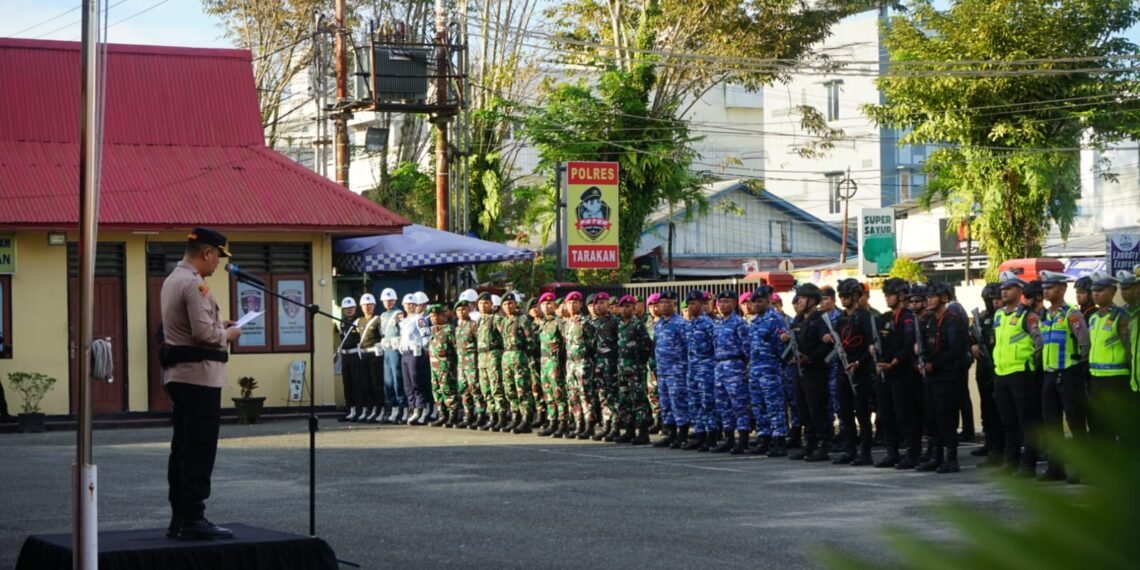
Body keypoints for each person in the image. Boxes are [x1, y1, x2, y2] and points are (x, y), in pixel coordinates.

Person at [160, 227, 241, 540]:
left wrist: (219, 324)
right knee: (199, 448)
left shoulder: (173, 280)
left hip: (180, 375)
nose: (218, 263)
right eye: (218, 256)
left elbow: (187, 328)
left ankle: (180, 516)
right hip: (199, 377)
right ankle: (193, 516)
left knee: (182, 447)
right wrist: (228, 334)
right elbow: (204, 336)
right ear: (207, 253)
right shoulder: (195, 286)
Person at [1036, 270, 1091, 482]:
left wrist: (1078, 366)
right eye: (1044, 288)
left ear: (1062, 289)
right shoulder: (1046, 315)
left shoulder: (1072, 315)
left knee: (1076, 423)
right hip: (1049, 375)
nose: (1046, 291)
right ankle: (1055, 467)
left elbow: (1084, 343)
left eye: (1050, 287)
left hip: (1069, 374)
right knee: (1051, 423)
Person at [991, 271, 1044, 477]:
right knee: (1008, 420)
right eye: (1002, 288)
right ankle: (1011, 461)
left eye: (1009, 288)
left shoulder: (1027, 315)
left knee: (1027, 421)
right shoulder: (999, 315)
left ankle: (1028, 464)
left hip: (1021, 373)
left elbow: (1039, 343)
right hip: (1002, 373)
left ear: (1020, 291)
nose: (1004, 292)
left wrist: (1032, 364)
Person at [917, 282, 968, 474]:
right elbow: (924, 345)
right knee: (931, 417)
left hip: (947, 376)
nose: (929, 299)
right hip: (931, 376)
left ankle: (951, 458)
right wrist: (922, 360)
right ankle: (936, 456)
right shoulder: (929, 320)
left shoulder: (952, 320)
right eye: (928, 296)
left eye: (934, 296)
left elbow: (955, 350)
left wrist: (934, 364)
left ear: (944, 298)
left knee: (945, 417)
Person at [875, 278, 920, 470]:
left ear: (901, 295)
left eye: (890, 294)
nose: (887, 298)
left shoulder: (908, 317)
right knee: (886, 414)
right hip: (885, 372)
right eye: (885, 294)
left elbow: (909, 343)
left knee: (906, 415)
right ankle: (891, 452)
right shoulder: (885, 318)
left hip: (903, 373)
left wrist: (894, 362)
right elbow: (878, 339)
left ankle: (912, 453)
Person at [830, 278, 876, 466]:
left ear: (856, 296)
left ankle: (865, 452)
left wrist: (859, 362)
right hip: (843, 369)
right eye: (840, 296)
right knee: (845, 412)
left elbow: (870, 346)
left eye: (846, 296)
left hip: (860, 371)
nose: (843, 299)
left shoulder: (865, 317)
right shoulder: (840, 319)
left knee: (862, 414)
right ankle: (850, 449)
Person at [789, 283, 833, 462]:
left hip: (815, 370)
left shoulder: (821, 319)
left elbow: (826, 345)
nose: (799, 301)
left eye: (803, 298)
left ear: (813, 300)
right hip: (799, 369)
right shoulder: (798, 320)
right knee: (803, 408)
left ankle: (824, 444)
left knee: (817, 408)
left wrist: (811, 358)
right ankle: (810, 442)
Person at [1087, 271, 1132, 443]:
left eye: (1100, 290)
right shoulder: (1094, 318)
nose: (1095, 293)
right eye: (1094, 290)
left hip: (1116, 378)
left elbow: (1129, 348)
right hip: (1097, 378)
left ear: (1113, 292)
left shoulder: (1121, 317)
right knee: (1101, 424)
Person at [748, 287, 789, 457]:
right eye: (755, 301)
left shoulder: (776, 319)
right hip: (755, 369)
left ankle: (779, 439)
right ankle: (764, 437)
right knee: (758, 406)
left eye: (760, 301)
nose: (757, 304)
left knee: (774, 406)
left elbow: (782, 345)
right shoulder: (755, 321)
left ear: (768, 301)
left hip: (770, 369)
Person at [711, 290, 752, 454]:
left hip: (735, 365)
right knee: (723, 405)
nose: (723, 305)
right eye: (720, 302)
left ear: (735, 304)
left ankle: (743, 439)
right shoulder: (718, 324)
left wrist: (746, 366)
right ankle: (729, 438)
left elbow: (747, 347)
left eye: (727, 302)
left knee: (739, 404)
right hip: (720, 366)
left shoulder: (739, 323)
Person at [969, 283, 1005, 464]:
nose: (995, 303)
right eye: (992, 299)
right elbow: (971, 336)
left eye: (998, 299)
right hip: (984, 368)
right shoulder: (981, 317)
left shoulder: (1006, 317)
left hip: (999, 368)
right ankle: (990, 443)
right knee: (986, 409)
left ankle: (1001, 448)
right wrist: (973, 345)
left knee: (1000, 411)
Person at [652, 291, 690, 448]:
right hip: (662, 370)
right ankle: (670, 433)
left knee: (678, 403)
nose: (665, 305)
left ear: (675, 304)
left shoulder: (681, 324)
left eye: (668, 302)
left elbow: (688, 347)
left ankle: (682, 435)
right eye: (662, 302)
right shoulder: (658, 324)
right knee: (666, 404)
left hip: (677, 370)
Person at [681, 291, 716, 451]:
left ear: (702, 305)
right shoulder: (688, 324)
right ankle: (699, 434)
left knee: (707, 403)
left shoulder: (708, 324)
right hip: (692, 368)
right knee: (694, 403)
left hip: (706, 367)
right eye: (689, 304)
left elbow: (716, 346)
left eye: (694, 304)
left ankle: (712, 435)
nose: (691, 307)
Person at [615, 295, 651, 444]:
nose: (625, 309)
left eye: (629, 306)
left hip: (635, 369)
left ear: (634, 308)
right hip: (622, 369)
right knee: (625, 400)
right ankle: (629, 430)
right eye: (623, 306)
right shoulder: (619, 325)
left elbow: (647, 345)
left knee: (638, 400)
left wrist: (639, 363)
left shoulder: (638, 325)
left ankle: (643, 432)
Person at [499, 292, 535, 433]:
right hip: (507, 356)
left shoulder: (522, 320)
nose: (508, 306)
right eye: (505, 304)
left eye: (511, 303)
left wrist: (525, 354)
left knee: (522, 389)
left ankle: (526, 419)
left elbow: (530, 341)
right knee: (510, 389)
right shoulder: (504, 321)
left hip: (519, 355)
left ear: (515, 304)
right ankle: (515, 417)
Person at [562, 291, 596, 438]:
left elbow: (593, 343)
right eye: (570, 302)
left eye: (576, 302)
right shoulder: (566, 323)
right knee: (573, 395)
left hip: (583, 362)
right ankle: (578, 424)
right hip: (571, 363)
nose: (572, 305)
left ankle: (589, 425)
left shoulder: (586, 322)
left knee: (585, 395)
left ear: (581, 304)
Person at [589, 292, 621, 441]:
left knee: (613, 396)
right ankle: (606, 425)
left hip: (611, 365)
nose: (599, 305)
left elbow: (621, 344)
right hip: (598, 365)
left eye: (602, 302)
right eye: (597, 303)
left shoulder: (615, 322)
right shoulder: (593, 323)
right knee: (603, 397)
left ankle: (615, 427)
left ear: (608, 304)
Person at [537, 292, 569, 437]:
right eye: (543, 304)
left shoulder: (559, 323)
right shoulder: (543, 323)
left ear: (555, 306)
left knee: (558, 393)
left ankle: (563, 422)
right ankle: (552, 421)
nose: (546, 306)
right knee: (548, 394)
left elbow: (566, 342)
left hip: (555, 362)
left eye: (549, 303)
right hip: (544, 362)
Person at [476, 292, 508, 431]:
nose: (483, 306)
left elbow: (506, 337)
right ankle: (492, 416)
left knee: (496, 387)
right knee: (485, 388)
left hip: (493, 354)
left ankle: (501, 416)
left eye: (486, 303)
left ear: (491, 305)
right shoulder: (479, 320)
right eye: (481, 304)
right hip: (482, 356)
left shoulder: (496, 319)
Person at [399, 293, 431, 425]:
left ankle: (421, 409)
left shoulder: (419, 319)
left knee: (417, 382)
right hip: (405, 353)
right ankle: (412, 408)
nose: (409, 306)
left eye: (412, 304)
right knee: (408, 385)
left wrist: (423, 347)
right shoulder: (404, 321)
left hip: (415, 353)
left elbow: (426, 336)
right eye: (407, 304)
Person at [427, 304, 459, 427]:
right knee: (437, 391)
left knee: (448, 390)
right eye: (431, 317)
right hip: (434, 365)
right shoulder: (434, 330)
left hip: (446, 365)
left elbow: (456, 348)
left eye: (435, 316)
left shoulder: (449, 329)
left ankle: (452, 415)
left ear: (442, 316)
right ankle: (442, 414)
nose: (433, 319)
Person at [453, 300, 483, 429]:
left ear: (469, 310)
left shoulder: (473, 325)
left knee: (475, 388)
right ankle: (468, 415)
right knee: (463, 389)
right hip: (461, 362)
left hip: (472, 361)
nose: (461, 312)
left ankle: (480, 415)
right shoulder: (458, 327)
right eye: (459, 310)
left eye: (464, 309)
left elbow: (479, 343)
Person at [355, 293, 385, 423]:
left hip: (375, 354)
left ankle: (380, 410)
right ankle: (370, 409)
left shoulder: (379, 319)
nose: (367, 307)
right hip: (363, 354)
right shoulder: (358, 321)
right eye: (365, 305)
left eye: (370, 304)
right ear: (361, 306)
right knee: (365, 384)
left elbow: (383, 336)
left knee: (376, 384)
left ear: (374, 306)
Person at [379, 288, 407, 424]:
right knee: (388, 380)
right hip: (387, 349)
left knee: (398, 378)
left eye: (390, 300)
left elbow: (404, 329)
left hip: (395, 349)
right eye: (386, 300)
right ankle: (394, 407)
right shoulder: (383, 315)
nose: (388, 302)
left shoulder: (399, 313)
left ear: (395, 300)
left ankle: (404, 408)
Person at [336, 297, 362, 422]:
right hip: (345, 356)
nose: (348, 310)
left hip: (355, 355)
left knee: (357, 383)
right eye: (346, 309)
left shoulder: (359, 321)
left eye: (351, 308)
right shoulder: (342, 321)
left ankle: (359, 410)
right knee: (347, 383)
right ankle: (350, 410)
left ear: (355, 308)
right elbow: (342, 337)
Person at [644, 293, 663, 434]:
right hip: (651, 364)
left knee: (665, 394)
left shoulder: (667, 322)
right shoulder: (648, 323)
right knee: (652, 393)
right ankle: (657, 419)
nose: (654, 308)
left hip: (665, 364)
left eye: (656, 305)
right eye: (651, 305)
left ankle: (667, 423)